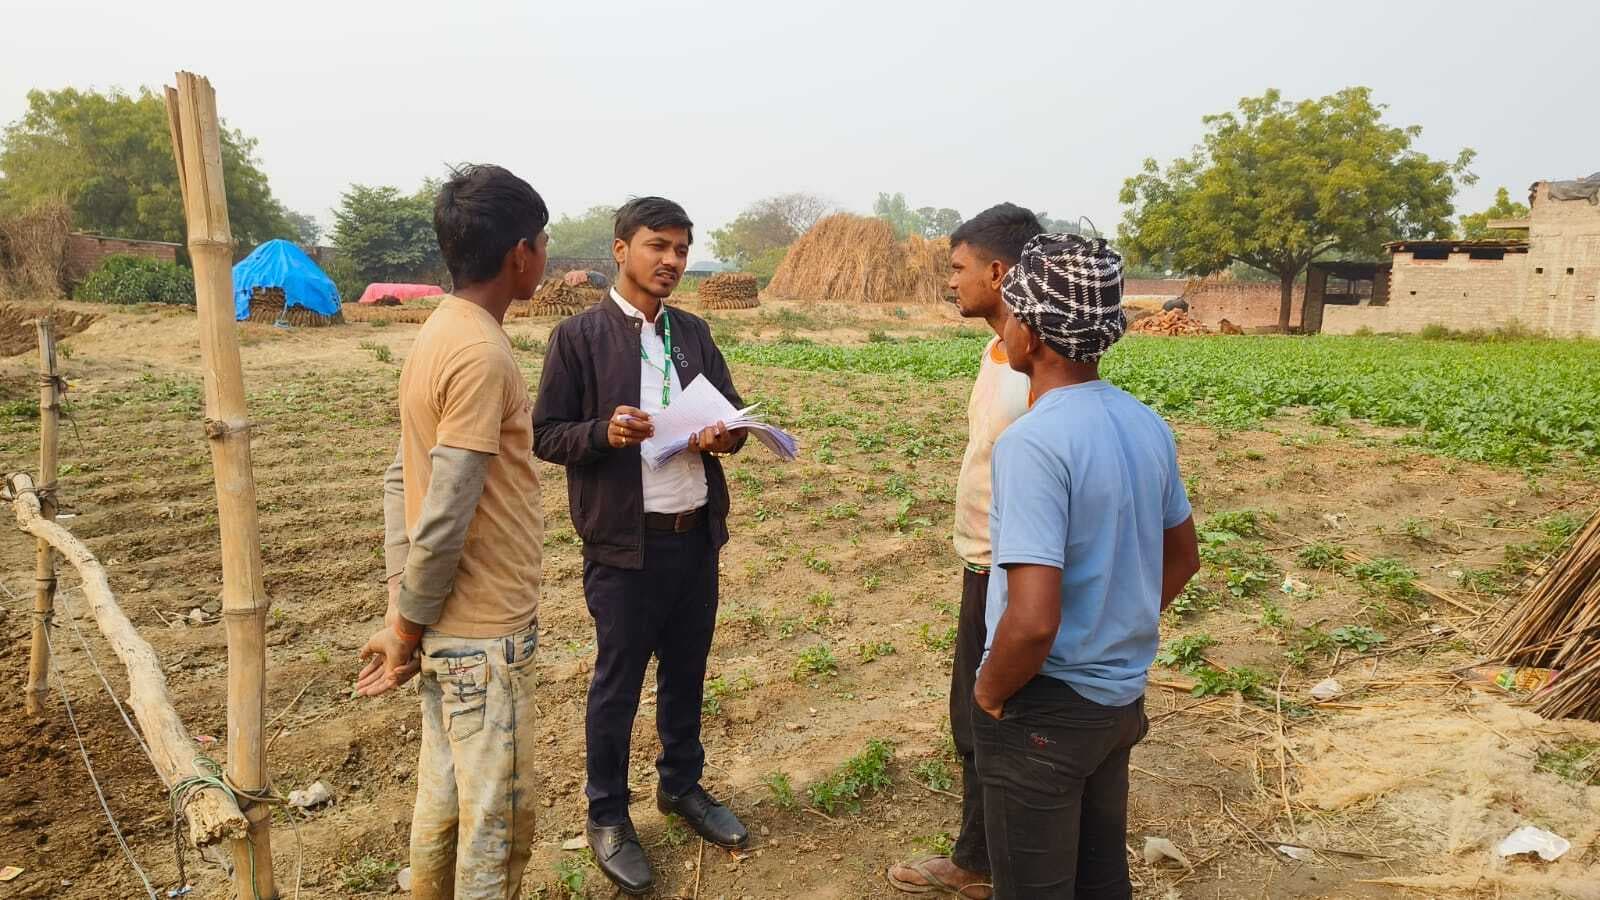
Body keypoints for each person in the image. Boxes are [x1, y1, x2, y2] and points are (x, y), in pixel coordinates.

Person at [972, 233, 1201, 899]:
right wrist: (1114, 625)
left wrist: (988, 692)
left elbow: (1034, 620)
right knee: (1102, 877)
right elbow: (1183, 558)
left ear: (1033, 334)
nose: (1006, 327)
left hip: (1047, 711)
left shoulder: (1034, 444)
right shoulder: (1143, 422)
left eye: (1013, 312)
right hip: (1118, 702)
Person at [532, 196, 749, 895]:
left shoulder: (692, 332)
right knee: (617, 687)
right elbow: (547, 434)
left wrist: (727, 435)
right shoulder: (579, 338)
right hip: (625, 548)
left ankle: (682, 788)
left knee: (686, 673)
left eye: (682, 250)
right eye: (658, 246)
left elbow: (733, 416)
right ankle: (607, 816)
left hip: (694, 537)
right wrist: (604, 433)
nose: (673, 262)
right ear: (620, 249)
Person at [356, 164, 550, 899]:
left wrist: (402, 616)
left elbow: (400, 479)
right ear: (520, 254)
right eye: (543, 242)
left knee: (442, 804)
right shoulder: (479, 352)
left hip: (446, 630)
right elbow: (445, 508)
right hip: (484, 636)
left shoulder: (440, 331)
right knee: (495, 833)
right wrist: (405, 628)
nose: (546, 256)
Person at [888, 203, 1043, 900]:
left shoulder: (1034, 368)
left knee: (989, 718)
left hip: (1013, 572)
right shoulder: (998, 351)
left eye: (957, 268)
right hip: (985, 559)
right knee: (978, 719)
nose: (949, 282)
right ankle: (990, 855)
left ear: (997, 271)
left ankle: (987, 865)